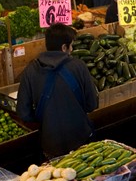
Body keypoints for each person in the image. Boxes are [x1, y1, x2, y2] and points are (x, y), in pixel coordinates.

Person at [17, 23, 99, 160]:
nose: (72, 50)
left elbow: (23, 113)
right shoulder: (79, 66)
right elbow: (92, 104)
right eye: (71, 46)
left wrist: (47, 118)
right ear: (64, 47)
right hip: (80, 140)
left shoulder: (29, 71)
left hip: (51, 146)